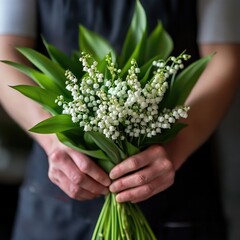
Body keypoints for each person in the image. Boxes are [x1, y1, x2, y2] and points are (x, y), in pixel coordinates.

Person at [0, 0, 239, 239]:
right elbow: (5, 53)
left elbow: (223, 58)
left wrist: (175, 147)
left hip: (177, 187)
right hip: (58, 191)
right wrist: (55, 140)